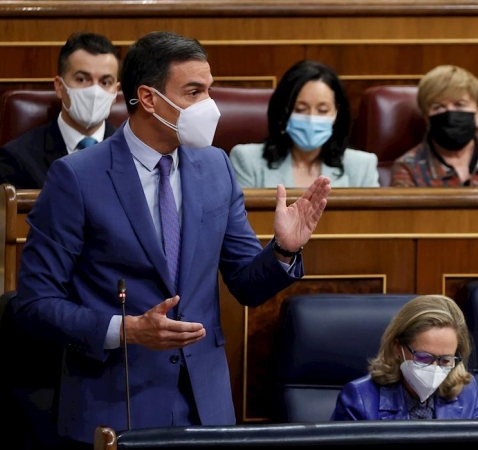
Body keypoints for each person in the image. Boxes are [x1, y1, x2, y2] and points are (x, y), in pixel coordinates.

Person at [9, 31, 331, 447]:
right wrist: (125, 330)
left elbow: (247, 285)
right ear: (148, 98)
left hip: (206, 406)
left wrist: (284, 249)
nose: (209, 107)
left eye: (209, 91)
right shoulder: (77, 177)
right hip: (115, 405)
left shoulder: (216, 166)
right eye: (194, 92)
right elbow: (34, 304)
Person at [331, 295, 478, 420]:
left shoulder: (467, 392)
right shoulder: (359, 400)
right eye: (424, 357)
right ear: (398, 347)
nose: (435, 368)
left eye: (445, 360)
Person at [230, 60, 378, 188]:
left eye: (322, 110)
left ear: (336, 114)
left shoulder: (362, 166)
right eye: (300, 109)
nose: (311, 118)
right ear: (284, 111)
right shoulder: (247, 160)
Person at [0, 32, 121, 189]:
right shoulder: (18, 159)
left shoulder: (134, 153)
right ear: (59, 86)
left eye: (105, 82)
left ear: (116, 91)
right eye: (82, 79)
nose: (94, 91)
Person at [390, 65, 478, 187]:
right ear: (427, 119)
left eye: (460, 104)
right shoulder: (408, 169)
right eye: (438, 107)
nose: (450, 114)